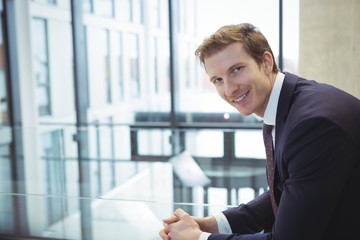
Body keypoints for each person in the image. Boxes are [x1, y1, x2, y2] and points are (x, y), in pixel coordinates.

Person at [159, 23, 360, 240]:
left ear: (265, 62)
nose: (229, 89)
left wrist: (199, 238)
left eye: (236, 70)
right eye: (218, 80)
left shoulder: (313, 124)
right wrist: (212, 225)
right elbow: (288, 191)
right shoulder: (289, 104)